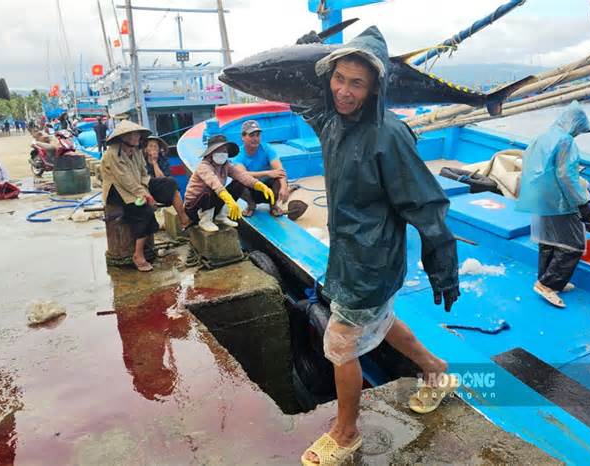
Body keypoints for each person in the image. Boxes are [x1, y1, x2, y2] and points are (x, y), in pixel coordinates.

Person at [291, 27, 460, 465]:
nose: (344, 92)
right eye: (338, 79)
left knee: (341, 344)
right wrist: (301, 54)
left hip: (372, 263)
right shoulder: (331, 120)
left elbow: (426, 203)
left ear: (375, 88)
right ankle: (436, 372)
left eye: (357, 83)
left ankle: (346, 433)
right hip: (346, 255)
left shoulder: (388, 134)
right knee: (382, 322)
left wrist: (443, 264)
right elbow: (300, 96)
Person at [517, 101, 590, 308]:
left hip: (540, 198)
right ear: (573, 124)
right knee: (573, 245)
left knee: (548, 241)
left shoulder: (542, 137)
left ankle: (547, 278)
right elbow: (566, 176)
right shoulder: (565, 141)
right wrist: (584, 202)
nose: (577, 135)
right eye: (578, 131)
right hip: (558, 201)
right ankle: (547, 284)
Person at [101, 120, 190, 272]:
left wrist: (148, 192)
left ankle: (183, 218)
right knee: (144, 211)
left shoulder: (136, 151)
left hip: (138, 186)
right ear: (124, 137)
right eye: (133, 134)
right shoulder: (112, 155)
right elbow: (125, 181)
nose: (137, 136)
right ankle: (138, 255)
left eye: (137, 134)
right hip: (118, 191)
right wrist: (147, 197)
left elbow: (143, 175)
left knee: (169, 183)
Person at [183, 134, 275, 232]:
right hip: (194, 208)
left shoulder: (226, 165)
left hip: (212, 205)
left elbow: (241, 176)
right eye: (219, 150)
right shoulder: (204, 166)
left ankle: (221, 216)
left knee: (239, 183)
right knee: (209, 189)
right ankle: (205, 220)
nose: (222, 153)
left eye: (225, 151)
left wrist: (259, 185)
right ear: (211, 152)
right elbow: (214, 183)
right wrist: (229, 200)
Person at [233, 120, 288, 217]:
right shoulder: (239, 155)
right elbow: (241, 174)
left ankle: (273, 206)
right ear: (243, 137)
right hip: (252, 190)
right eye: (251, 135)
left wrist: (284, 188)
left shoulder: (266, 148)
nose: (255, 138)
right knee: (237, 183)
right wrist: (267, 173)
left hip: (269, 190)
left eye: (258, 135)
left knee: (280, 180)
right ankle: (251, 205)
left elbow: (280, 170)